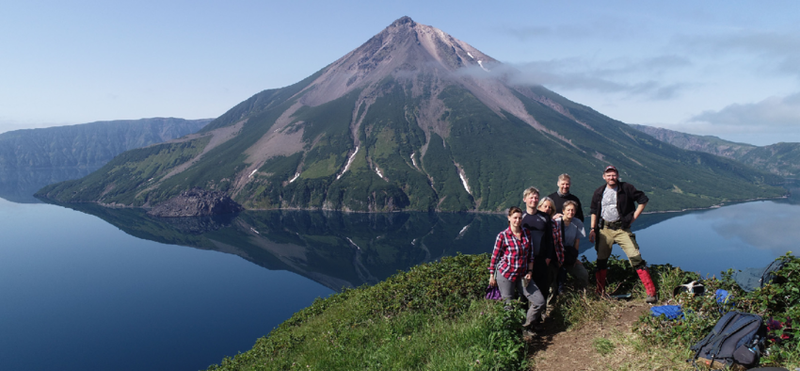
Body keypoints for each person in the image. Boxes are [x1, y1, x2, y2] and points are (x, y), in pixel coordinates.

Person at [589, 165, 657, 303]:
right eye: (608, 175)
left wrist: (633, 218)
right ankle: (600, 291)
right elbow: (593, 210)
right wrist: (592, 229)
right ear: (604, 177)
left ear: (617, 176)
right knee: (601, 261)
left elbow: (643, 200)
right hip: (604, 229)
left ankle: (651, 292)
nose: (611, 177)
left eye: (613, 175)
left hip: (622, 229)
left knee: (636, 257)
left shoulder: (626, 188)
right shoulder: (599, 192)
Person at [488, 206, 546, 332]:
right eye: (515, 218)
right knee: (508, 305)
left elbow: (530, 255)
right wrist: (491, 275)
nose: (518, 220)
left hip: (523, 275)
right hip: (505, 275)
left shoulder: (526, 233)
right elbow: (495, 257)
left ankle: (525, 326)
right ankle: (511, 333)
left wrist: (530, 271)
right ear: (509, 218)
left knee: (539, 301)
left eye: (520, 218)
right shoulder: (502, 236)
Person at [554, 200, 590, 292]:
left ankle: (582, 296)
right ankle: (553, 301)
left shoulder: (577, 223)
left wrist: (574, 258)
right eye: (568, 210)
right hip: (557, 256)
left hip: (569, 255)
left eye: (573, 210)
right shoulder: (556, 223)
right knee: (553, 279)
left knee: (583, 274)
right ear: (563, 211)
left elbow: (576, 242)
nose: (571, 212)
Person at [535, 197, 566, 306]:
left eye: (550, 207)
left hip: (553, 259)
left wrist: (561, 260)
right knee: (539, 286)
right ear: (539, 207)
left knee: (551, 286)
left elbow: (559, 243)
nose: (547, 209)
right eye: (545, 206)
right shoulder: (535, 223)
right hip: (538, 260)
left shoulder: (555, 224)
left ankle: (548, 310)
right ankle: (538, 311)